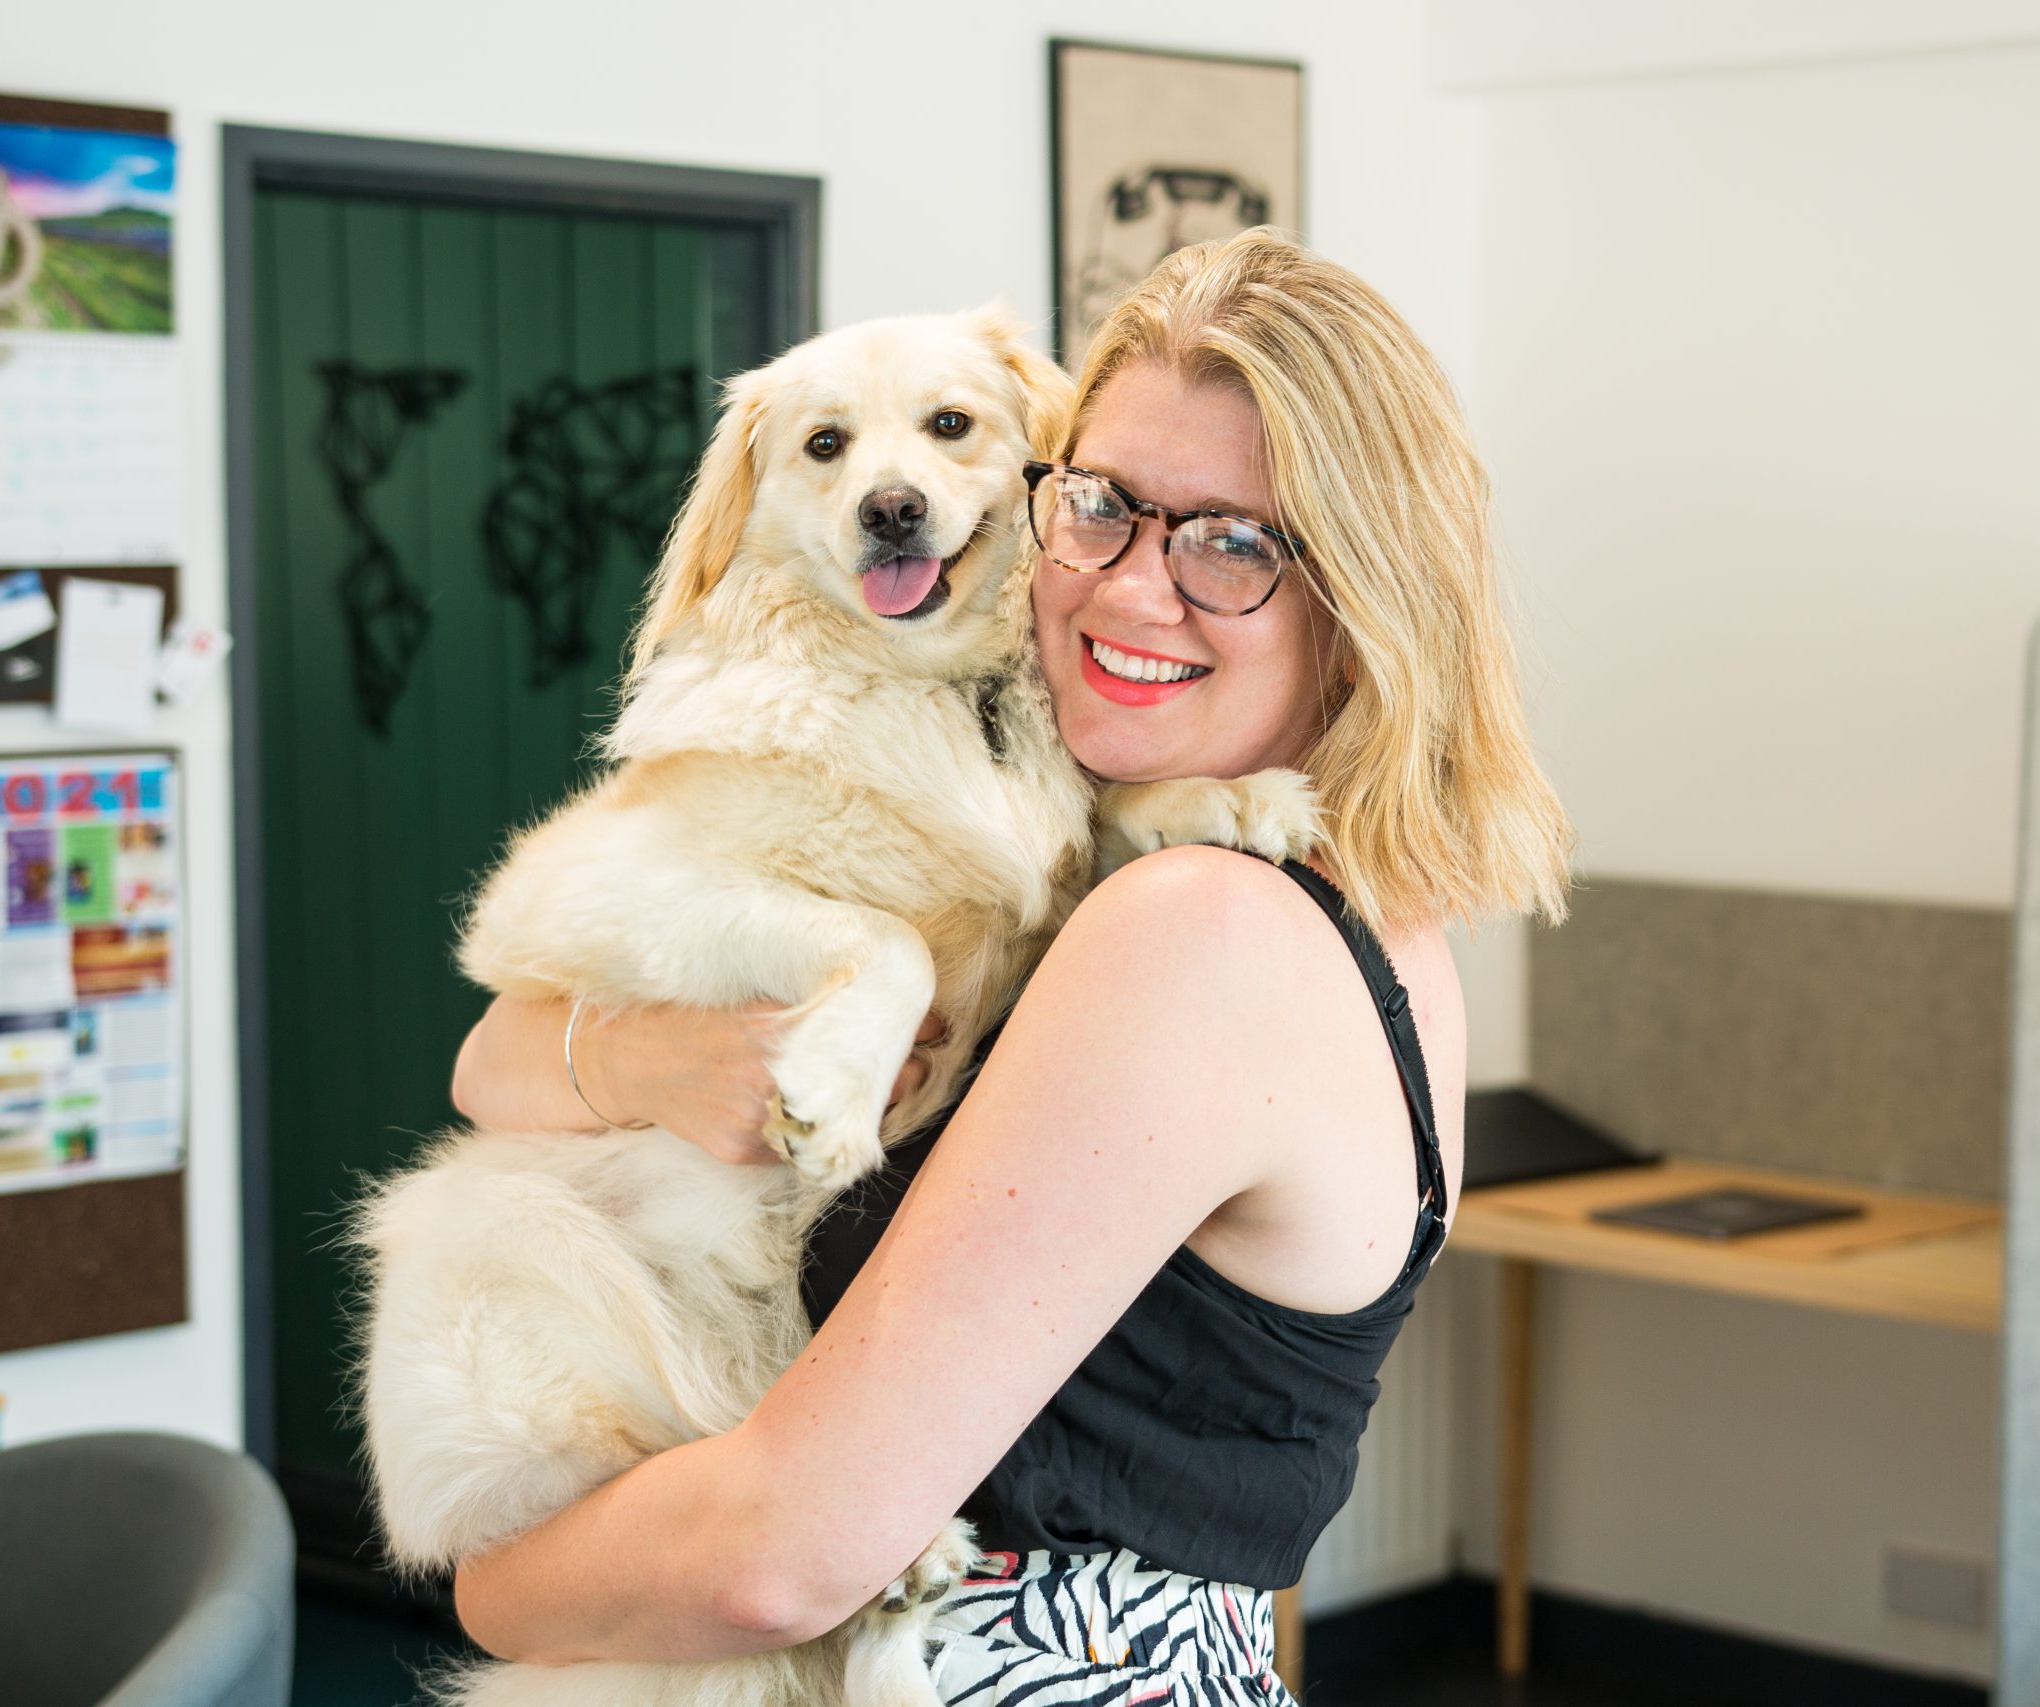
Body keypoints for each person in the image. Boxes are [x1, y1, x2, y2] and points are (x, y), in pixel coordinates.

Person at [444, 229, 1573, 1701]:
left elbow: (780, 1554)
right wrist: (641, 1061)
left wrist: (496, 1589)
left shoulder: (1195, 930)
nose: (1127, 589)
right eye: (1100, 505)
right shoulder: (1335, 901)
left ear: (1365, 597)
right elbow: (498, 1054)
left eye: (1231, 542)